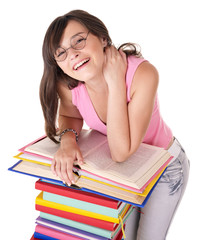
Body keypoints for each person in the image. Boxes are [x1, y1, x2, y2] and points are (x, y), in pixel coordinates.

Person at [39, 9, 190, 240]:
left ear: (102, 38)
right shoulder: (70, 85)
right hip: (124, 173)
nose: (73, 55)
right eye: (61, 53)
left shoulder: (143, 74)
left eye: (79, 41)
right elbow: (71, 116)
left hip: (163, 169)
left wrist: (115, 82)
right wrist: (67, 141)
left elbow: (121, 151)